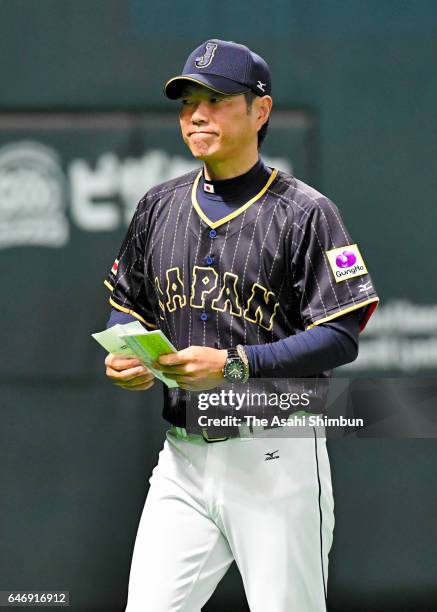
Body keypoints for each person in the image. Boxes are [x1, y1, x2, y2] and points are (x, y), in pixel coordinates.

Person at [104, 39, 379, 612]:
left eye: (216, 99)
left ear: (260, 110)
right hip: (182, 460)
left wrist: (233, 365)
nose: (196, 115)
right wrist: (125, 351)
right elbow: (127, 302)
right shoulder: (159, 205)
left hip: (274, 456)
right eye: (186, 102)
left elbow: (341, 334)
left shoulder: (307, 212)